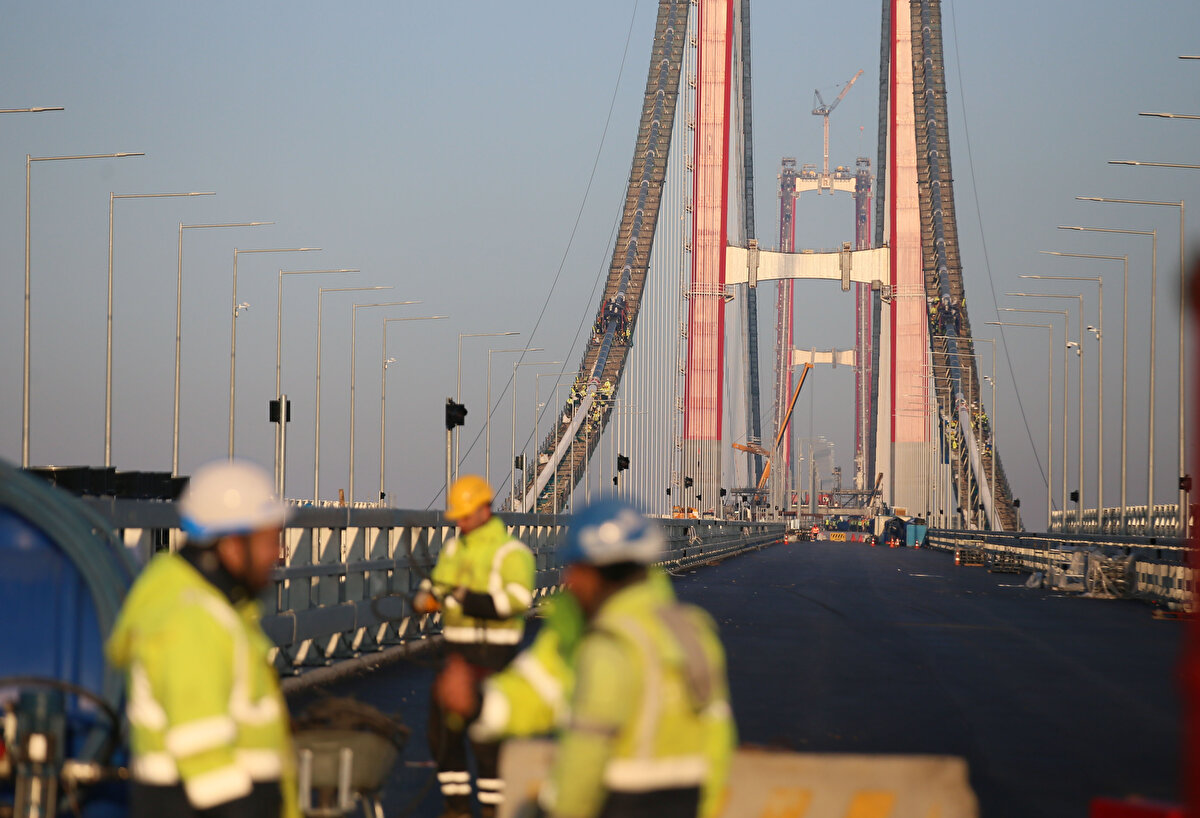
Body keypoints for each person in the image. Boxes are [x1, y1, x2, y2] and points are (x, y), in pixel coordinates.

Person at [437, 499, 735, 818]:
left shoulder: (606, 645)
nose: (569, 579)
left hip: (614, 804)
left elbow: (584, 757)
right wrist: (481, 703)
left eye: (576, 568)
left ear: (597, 572)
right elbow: (717, 742)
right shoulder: (691, 631)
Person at [105, 459, 299, 818]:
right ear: (231, 545)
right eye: (269, 540)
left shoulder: (214, 607)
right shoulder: (189, 618)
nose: (277, 553)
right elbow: (204, 758)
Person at [414, 474, 536, 818]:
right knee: (443, 733)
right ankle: (456, 806)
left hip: (494, 656)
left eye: (466, 515)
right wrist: (426, 598)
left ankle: (493, 808)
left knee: (487, 738)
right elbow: (440, 584)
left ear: (486, 510)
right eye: (459, 517)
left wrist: (467, 599)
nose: (462, 523)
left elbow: (517, 600)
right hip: (455, 653)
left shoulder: (511, 553)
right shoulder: (455, 548)